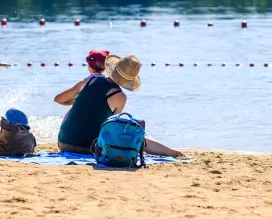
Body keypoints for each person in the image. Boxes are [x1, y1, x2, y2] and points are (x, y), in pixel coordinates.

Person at [55, 54, 184, 157]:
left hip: (63, 143)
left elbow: (58, 99)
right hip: (88, 148)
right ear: (129, 80)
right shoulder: (120, 97)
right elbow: (111, 127)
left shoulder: (89, 80)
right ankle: (172, 152)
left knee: (72, 109)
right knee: (133, 133)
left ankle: (170, 151)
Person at [55, 50, 109, 123]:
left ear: (89, 66)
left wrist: (76, 101)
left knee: (71, 108)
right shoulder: (112, 87)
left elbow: (58, 99)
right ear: (105, 68)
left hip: (81, 124)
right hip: (101, 124)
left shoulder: (84, 83)